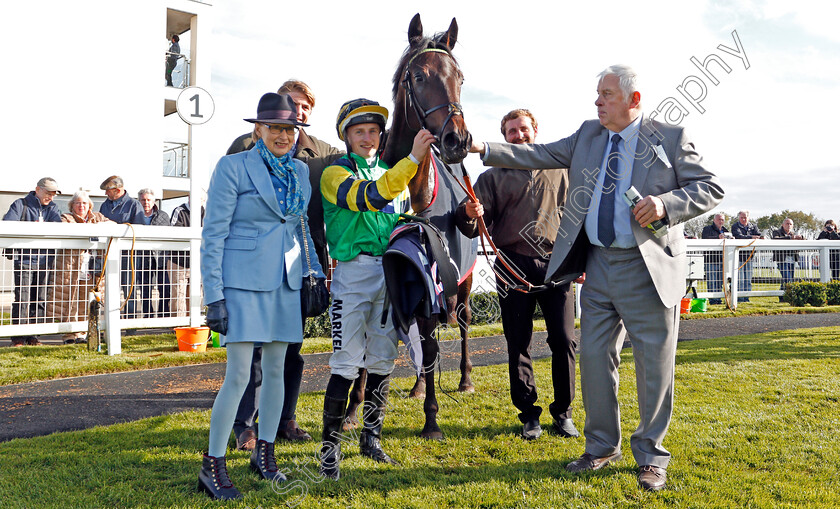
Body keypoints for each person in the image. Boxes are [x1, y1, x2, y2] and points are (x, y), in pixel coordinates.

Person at [470, 64, 724, 491]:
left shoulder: (670, 137)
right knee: (591, 359)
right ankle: (601, 446)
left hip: (648, 267)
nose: (598, 101)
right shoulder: (588, 134)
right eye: (598, 93)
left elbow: (709, 188)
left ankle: (651, 456)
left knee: (653, 367)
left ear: (634, 100)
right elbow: (538, 153)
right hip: (599, 267)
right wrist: (481, 146)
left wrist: (665, 204)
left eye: (607, 94)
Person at [197, 92, 325, 500]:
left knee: (276, 372)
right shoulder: (232, 167)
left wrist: (314, 273)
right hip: (241, 283)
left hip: (286, 282)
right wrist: (213, 295)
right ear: (258, 129)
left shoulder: (302, 174)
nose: (284, 135)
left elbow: (300, 229)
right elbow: (213, 233)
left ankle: (265, 454)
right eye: (275, 128)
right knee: (238, 375)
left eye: (290, 129)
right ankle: (213, 465)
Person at [318, 98, 434, 480]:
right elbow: (371, 196)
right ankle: (329, 452)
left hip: (389, 273)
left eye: (373, 131)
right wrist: (414, 159)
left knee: (383, 360)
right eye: (359, 132)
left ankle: (372, 439)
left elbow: (399, 217)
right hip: (352, 273)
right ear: (346, 137)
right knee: (347, 363)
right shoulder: (335, 173)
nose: (367, 138)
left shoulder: (389, 172)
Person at [226, 80, 344, 450]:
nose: (299, 111)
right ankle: (245, 425)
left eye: (306, 107)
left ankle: (283, 419)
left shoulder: (324, 154)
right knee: (254, 349)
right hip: (254, 263)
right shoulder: (244, 147)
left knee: (291, 346)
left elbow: (361, 163)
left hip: (302, 264)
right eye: (293, 104)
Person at [455, 109, 579, 440]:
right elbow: (468, 224)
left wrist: (581, 262)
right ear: (504, 137)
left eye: (523, 129)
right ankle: (529, 415)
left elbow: (578, 218)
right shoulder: (491, 177)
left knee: (564, 340)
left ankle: (563, 412)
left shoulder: (561, 169)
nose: (518, 135)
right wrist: (468, 213)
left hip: (557, 265)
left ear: (535, 130)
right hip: (512, 265)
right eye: (511, 131)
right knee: (518, 342)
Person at [2, 177, 63, 346]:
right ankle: (18, 337)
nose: (50, 196)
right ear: (37, 189)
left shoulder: (53, 207)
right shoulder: (20, 205)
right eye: (48, 192)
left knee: (41, 298)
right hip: (24, 259)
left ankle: (34, 336)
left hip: (45, 260)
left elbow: (58, 229)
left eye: (53, 194)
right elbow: (8, 225)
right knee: (22, 298)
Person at [51, 191, 112, 343]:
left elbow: (113, 225)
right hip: (70, 267)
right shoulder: (67, 217)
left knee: (86, 301)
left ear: (89, 205)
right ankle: (69, 336)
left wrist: (99, 225)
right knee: (69, 301)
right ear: (72, 205)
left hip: (90, 268)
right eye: (78, 203)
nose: (81, 206)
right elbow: (67, 231)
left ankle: (82, 334)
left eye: (84, 203)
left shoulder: (96, 217)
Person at [99, 175, 146, 318]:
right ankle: (110, 320)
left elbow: (138, 230)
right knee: (109, 288)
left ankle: (130, 323)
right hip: (107, 253)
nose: (106, 193)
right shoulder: (104, 205)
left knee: (128, 289)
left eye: (108, 190)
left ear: (118, 190)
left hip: (128, 255)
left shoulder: (134, 205)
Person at [168, 199, 205, 318]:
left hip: (198, 261)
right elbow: (175, 232)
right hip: (178, 261)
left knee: (196, 294)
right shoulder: (179, 211)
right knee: (178, 295)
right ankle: (178, 325)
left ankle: (195, 324)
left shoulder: (207, 212)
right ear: (189, 197)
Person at [136, 189, 170, 317]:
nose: (146, 203)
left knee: (165, 288)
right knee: (145, 290)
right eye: (143, 200)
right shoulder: (135, 216)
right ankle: (147, 316)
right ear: (139, 201)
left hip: (161, 258)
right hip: (142, 257)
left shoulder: (163, 216)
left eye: (148, 200)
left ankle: (163, 316)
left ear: (154, 201)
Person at [731, 210, 762, 303]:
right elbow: (738, 236)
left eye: (745, 217)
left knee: (748, 279)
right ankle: (740, 298)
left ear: (748, 218)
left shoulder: (753, 226)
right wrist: (751, 237)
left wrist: (759, 237)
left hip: (750, 256)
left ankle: (747, 298)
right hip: (739, 256)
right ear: (739, 218)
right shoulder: (735, 226)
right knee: (740, 279)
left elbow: (758, 234)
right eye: (742, 217)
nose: (744, 219)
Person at [701, 213, 730, 304]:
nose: (721, 221)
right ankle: (713, 300)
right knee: (712, 281)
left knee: (719, 281)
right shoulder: (707, 229)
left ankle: (718, 299)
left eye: (722, 220)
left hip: (722, 259)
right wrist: (717, 237)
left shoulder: (726, 230)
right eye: (719, 219)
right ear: (714, 220)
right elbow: (705, 239)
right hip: (711, 260)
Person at [772, 218, 804, 300]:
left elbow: (804, 240)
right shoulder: (777, 232)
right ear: (783, 225)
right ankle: (788, 297)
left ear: (792, 226)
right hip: (782, 259)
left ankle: (782, 297)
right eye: (787, 223)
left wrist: (801, 237)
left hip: (792, 259)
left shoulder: (794, 234)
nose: (788, 225)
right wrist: (790, 238)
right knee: (788, 279)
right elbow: (775, 239)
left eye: (790, 224)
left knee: (787, 279)